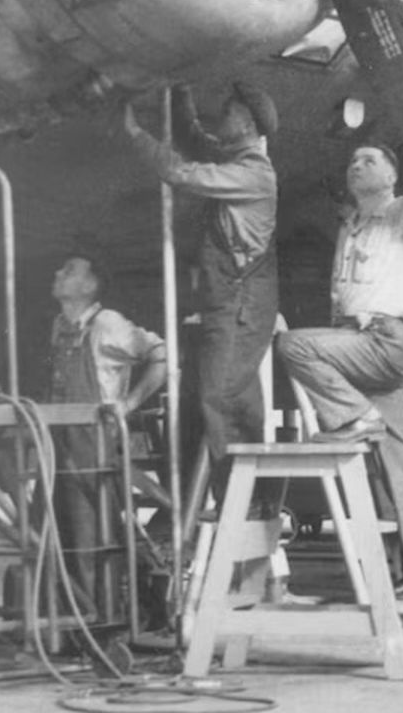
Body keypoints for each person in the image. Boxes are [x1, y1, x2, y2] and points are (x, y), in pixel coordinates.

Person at [274, 142, 403, 598]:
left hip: (384, 340)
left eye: (369, 161)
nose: (356, 165)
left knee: (294, 345)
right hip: (361, 343)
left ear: (392, 177)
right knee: (398, 460)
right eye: (352, 160)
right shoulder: (352, 225)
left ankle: (354, 417)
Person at [122, 83, 278, 509]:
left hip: (240, 304)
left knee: (220, 398)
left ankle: (239, 508)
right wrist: (182, 93)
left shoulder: (252, 174)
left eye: (227, 112)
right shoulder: (236, 160)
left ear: (246, 123)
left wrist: (136, 134)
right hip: (228, 302)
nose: (220, 118)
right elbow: (196, 142)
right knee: (220, 398)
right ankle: (239, 504)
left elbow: (183, 173)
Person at [46, 253, 168, 600]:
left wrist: (128, 404)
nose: (57, 272)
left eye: (68, 270)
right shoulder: (61, 325)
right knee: (65, 528)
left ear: (89, 285)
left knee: (94, 531)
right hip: (61, 439)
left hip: (94, 441)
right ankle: (78, 608)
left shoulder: (107, 323)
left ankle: (105, 611)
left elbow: (160, 354)